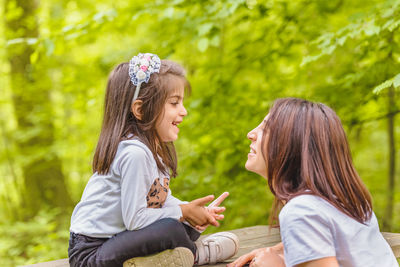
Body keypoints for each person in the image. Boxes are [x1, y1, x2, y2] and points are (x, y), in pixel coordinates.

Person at [68, 53, 239, 267]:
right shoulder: (135, 154)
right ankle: (195, 254)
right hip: (91, 254)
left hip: (118, 240)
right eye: (174, 103)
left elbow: (158, 201)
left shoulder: (152, 151)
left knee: (174, 225)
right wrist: (184, 212)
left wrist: (193, 212)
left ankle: (165, 256)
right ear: (140, 109)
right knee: (171, 228)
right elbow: (136, 219)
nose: (184, 111)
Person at [229, 98, 398, 267]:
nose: (250, 133)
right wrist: (278, 251)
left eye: (265, 129)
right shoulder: (347, 201)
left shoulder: (301, 211)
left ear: (292, 143)